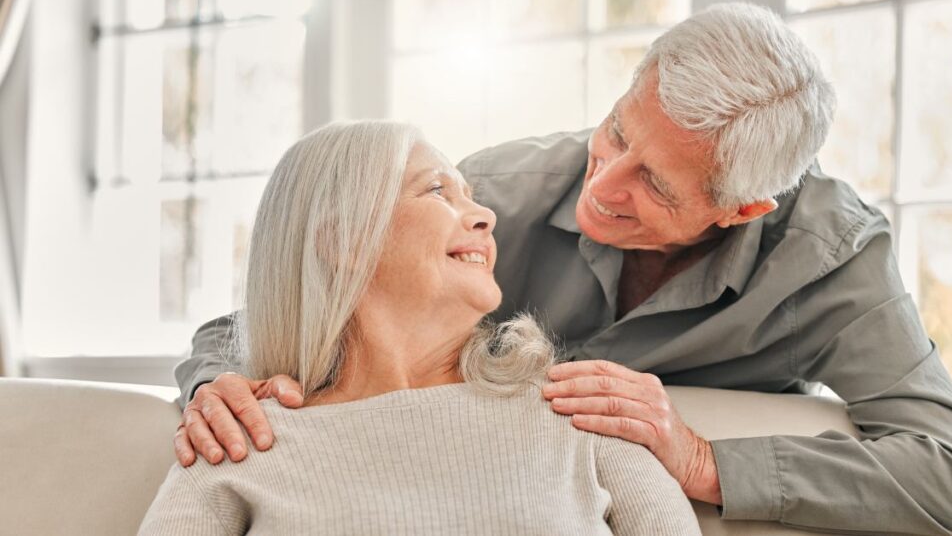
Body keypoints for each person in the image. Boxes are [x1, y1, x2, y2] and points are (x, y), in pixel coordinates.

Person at [172, 3, 952, 536]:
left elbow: (951, 477)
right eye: (617, 132)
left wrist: (700, 458)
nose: (602, 186)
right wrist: (216, 383)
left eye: (655, 185)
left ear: (741, 211)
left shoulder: (833, 261)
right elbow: (295, 294)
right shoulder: (500, 194)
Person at [141, 121, 702, 535]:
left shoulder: (579, 411)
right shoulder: (242, 442)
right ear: (342, 241)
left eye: (472, 197)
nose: (487, 217)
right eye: (437, 191)